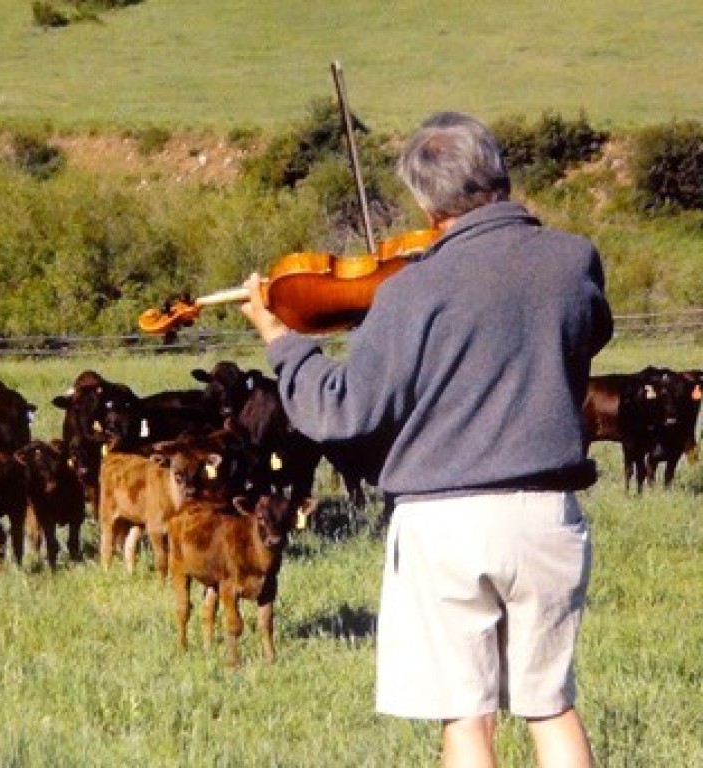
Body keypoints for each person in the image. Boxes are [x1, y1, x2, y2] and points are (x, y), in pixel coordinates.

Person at [240, 111, 613, 768]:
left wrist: (283, 343)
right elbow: (590, 334)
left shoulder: (412, 290)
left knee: (467, 722)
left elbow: (338, 412)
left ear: (423, 201)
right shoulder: (572, 258)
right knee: (550, 706)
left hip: (443, 522)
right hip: (548, 516)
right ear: (499, 171)